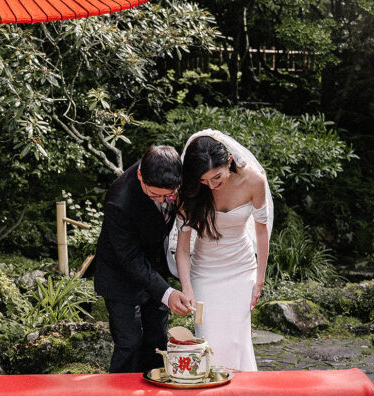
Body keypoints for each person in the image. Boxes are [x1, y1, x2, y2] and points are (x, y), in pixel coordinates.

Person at [172, 130, 272, 371]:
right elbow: (183, 249)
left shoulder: (254, 181)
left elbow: (261, 231)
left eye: (216, 177)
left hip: (241, 268)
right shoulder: (190, 193)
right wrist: (187, 288)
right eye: (204, 181)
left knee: (237, 339)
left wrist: (260, 278)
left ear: (228, 160)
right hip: (204, 271)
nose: (212, 186)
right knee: (207, 338)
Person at [94, 145, 196, 373]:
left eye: (168, 195)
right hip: (119, 273)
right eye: (154, 195)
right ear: (140, 175)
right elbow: (130, 258)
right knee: (129, 344)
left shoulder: (173, 174)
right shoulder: (119, 201)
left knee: (158, 341)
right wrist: (167, 293)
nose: (162, 201)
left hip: (154, 267)